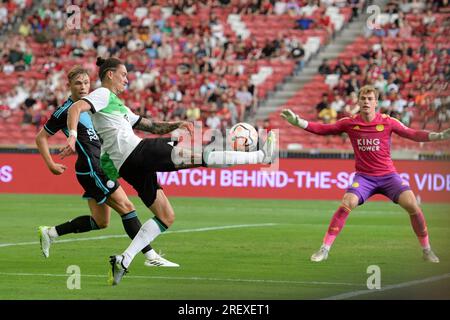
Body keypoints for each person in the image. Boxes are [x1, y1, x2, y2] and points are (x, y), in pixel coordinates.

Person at [60, 57, 276, 285]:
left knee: (166, 216)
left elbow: (150, 125)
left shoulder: (117, 105)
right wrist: (73, 136)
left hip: (130, 164)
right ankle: (261, 156)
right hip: (137, 152)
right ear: (110, 74)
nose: (127, 79)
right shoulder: (101, 94)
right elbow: (76, 108)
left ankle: (125, 259)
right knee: (201, 156)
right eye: (123, 75)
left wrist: (176, 124)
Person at [281, 85, 450, 263]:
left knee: (413, 205)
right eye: (363, 99)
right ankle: (324, 249)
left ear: (376, 102)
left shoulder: (388, 121)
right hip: (364, 177)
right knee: (347, 203)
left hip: (388, 176)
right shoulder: (350, 123)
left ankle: (427, 250)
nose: (366, 102)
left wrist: (437, 136)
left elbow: (412, 133)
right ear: (359, 102)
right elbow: (324, 129)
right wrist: (298, 122)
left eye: (370, 99)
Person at [36, 66, 179, 267]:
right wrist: (50, 163)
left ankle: (50, 233)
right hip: (91, 168)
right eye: (78, 83)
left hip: (101, 166)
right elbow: (41, 137)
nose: (83, 87)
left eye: (86, 82)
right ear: (69, 85)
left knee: (101, 221)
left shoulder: (95, 105)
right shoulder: (65, 111)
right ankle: (150, 256)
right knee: (127, 207)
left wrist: (176, 124)